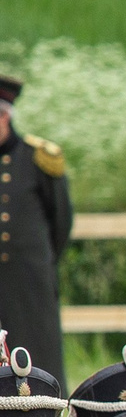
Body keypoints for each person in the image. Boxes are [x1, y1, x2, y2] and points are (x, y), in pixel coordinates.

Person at [0, 77, 74, 388]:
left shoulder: (37, 158)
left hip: (28, 282)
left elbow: (60, 222)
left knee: (39, 362)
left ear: (5, 115)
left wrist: (38, 263)